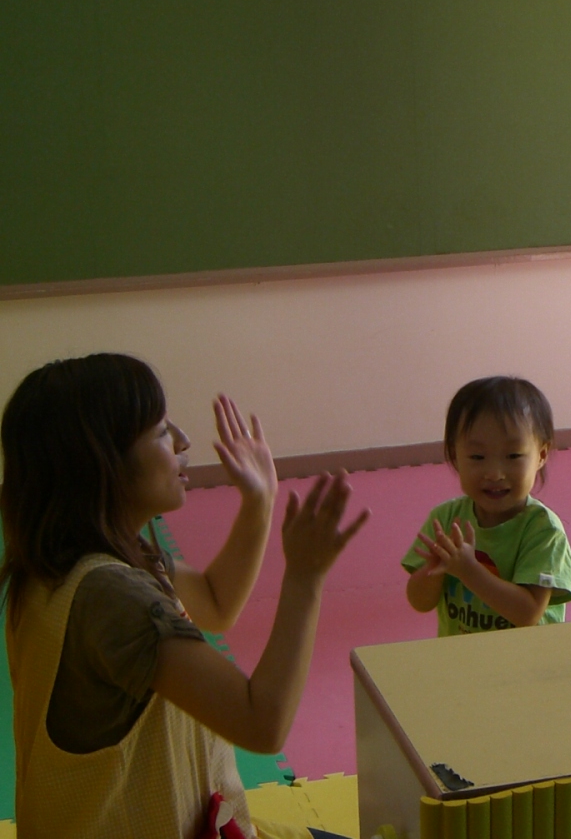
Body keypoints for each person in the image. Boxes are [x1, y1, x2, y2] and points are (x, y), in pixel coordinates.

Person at [0, 354, 367, 839]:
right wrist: (304, 578)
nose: (182, 440)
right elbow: (262, 723)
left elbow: (215, 602)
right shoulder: (110, 597)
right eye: (159, 432)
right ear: (102, 462)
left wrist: (259, 502)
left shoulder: (70, 557)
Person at [403, 377, 571, 636]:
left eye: (513, 456)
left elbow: (528, 613)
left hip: (526, 657)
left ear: (541, 455)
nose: (494, 473)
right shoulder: (446, 518)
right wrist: (433, 570)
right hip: (462, 654)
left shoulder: (543, 530)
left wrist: (469, 570)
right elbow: (419, 602)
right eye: (477, 457)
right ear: (455, 456)